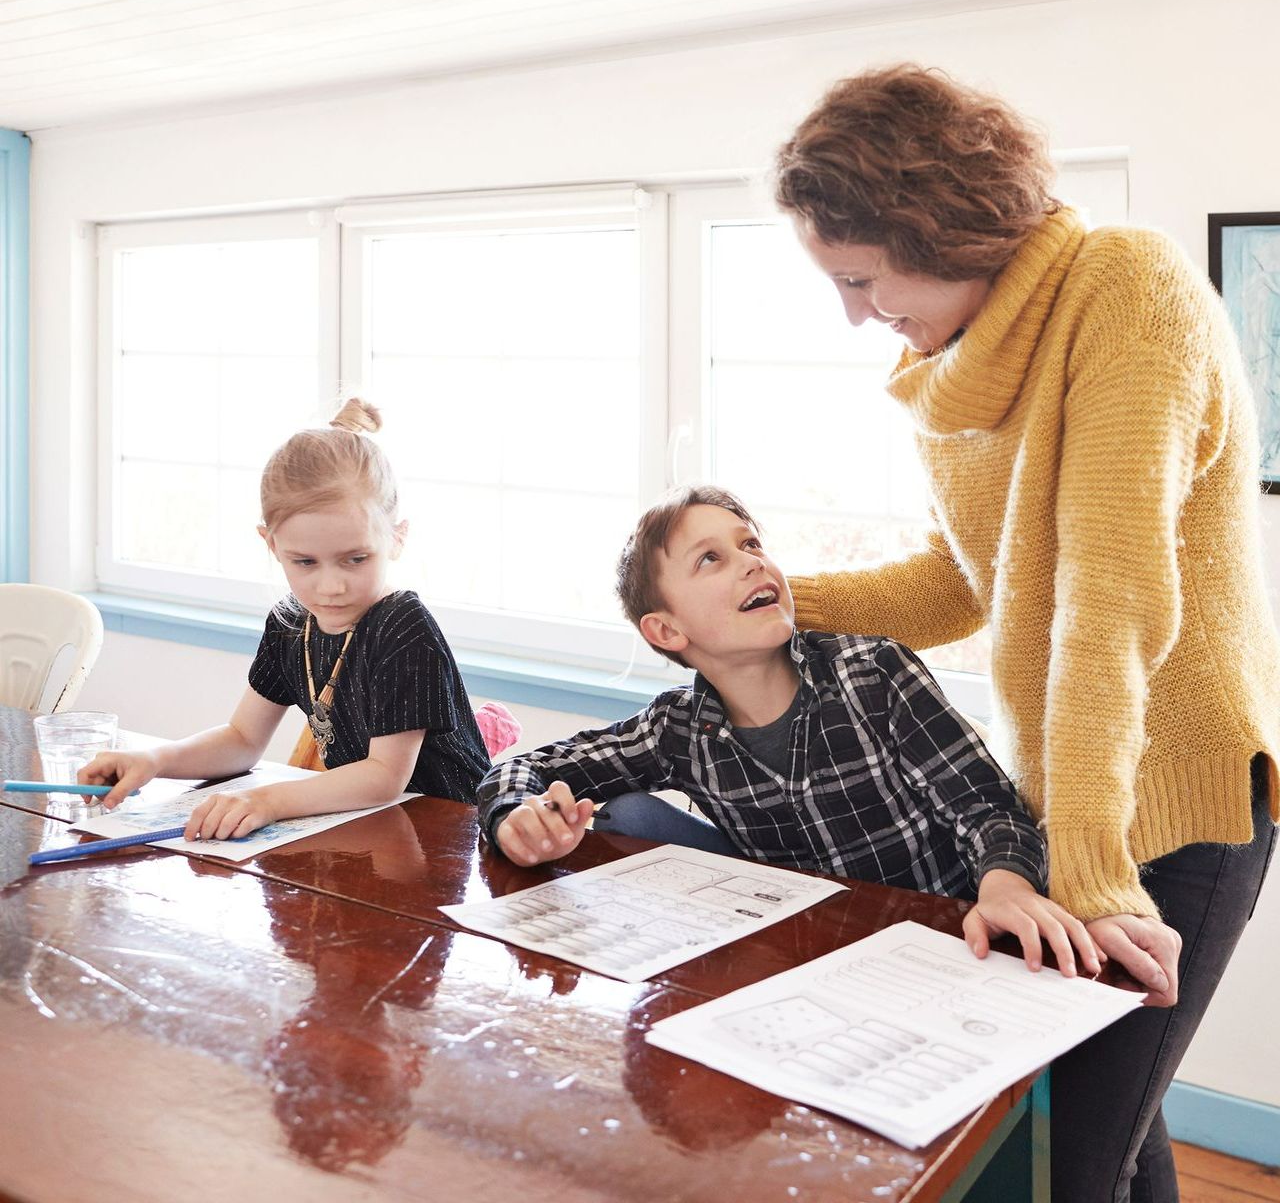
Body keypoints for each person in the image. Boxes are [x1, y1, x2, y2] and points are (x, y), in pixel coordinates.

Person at [772, 63, 1279, 1201]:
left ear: (929, 220)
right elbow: (960, 584)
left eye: (858, 276)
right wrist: (766, 596)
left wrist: (1091, 866)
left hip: (1182, 792)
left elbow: (1112, 594)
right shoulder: (947, 367)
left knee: (1068, 1160)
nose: (854, 313)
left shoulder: (1126, 287)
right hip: (1063, 790)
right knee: (1104, 1135)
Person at [478, 485, 1103, 977]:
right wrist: (515, 818)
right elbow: (526, 766)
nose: (751, 563)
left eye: (750, 544)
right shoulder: (677, 730)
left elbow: (988, 808)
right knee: (627, 812)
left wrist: (1006, 886)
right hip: (807, 966)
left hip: (946, 953)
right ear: (667, 631)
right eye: (711, 559)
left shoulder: (876, 675)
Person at [83, 399, 491, 838]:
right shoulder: (292, 621)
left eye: (355, 559)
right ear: (271, 544)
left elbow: (383, 776)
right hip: (371, 831)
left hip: (452, 834)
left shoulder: (402, 626)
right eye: (305, 562)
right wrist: (157, 761)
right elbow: (242, 739)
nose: (330, 586)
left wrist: (268, 800)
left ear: (397, 538)